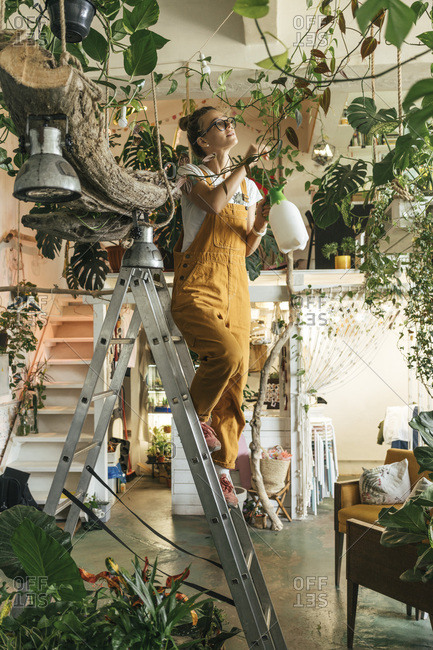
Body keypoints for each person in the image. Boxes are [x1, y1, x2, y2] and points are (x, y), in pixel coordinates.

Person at [171, 105, 269, 506]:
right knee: (225, 355)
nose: (230, 126)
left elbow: (246, 246)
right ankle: (193, 419)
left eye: (230, 121)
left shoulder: (247, 187)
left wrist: (260, 221)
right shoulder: (191, 174)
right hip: (199, 285)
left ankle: (224, 470)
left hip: (237, 289)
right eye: (220, 124)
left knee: (236, 383)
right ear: (201, 141)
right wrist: (244, 164)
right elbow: (214, 203)